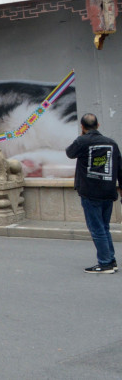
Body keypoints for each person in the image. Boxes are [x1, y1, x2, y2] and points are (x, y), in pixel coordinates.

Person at [65, 113, 122, 273]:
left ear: (82, 127)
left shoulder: (82, 141)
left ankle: (105, 263)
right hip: (108, 192)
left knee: (97, 229)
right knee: (104, 227)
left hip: (90, 192)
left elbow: (69, 153)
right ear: (98, 125)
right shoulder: (112, 143)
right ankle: (111, 260)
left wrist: (82, 136)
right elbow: (120, 169)